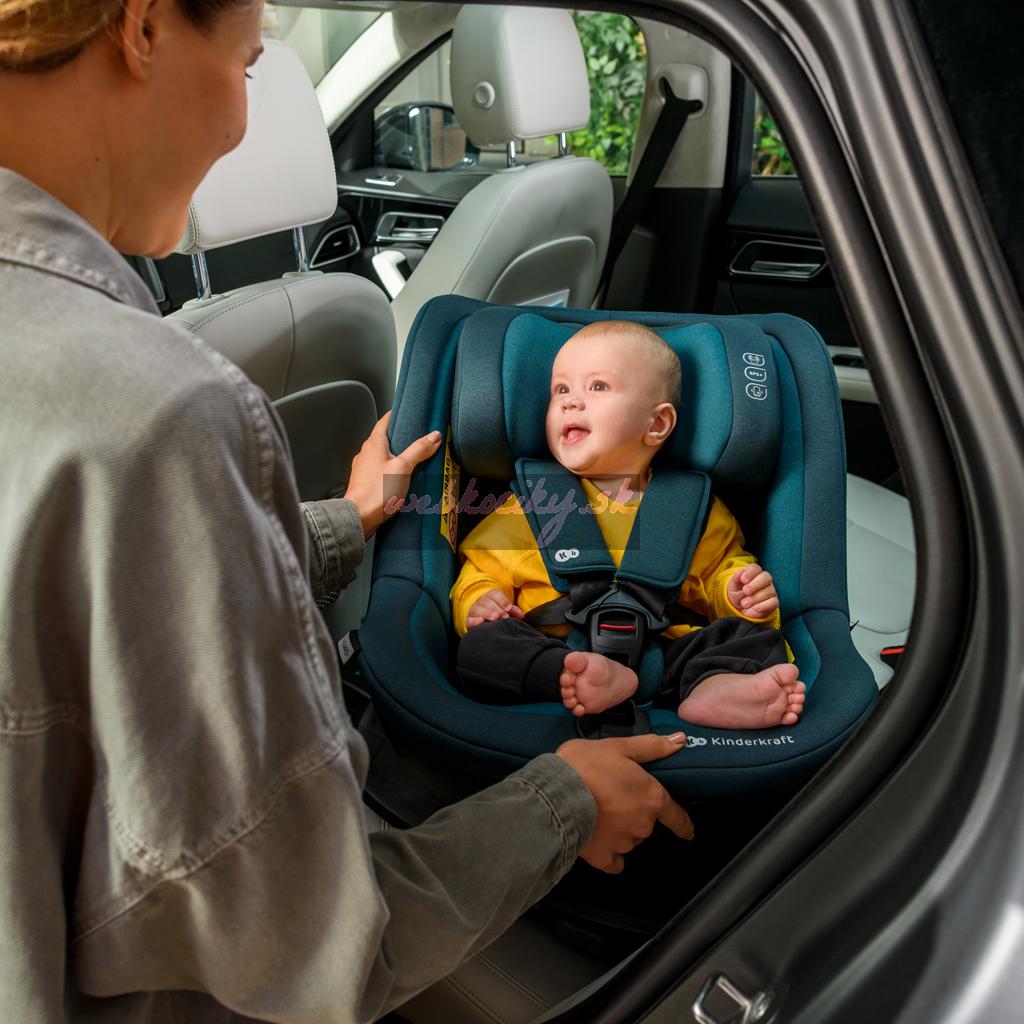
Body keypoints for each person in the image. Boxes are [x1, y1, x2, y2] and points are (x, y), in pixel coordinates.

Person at [0, 2, 695, 1021]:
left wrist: (343, 520)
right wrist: (566, 801)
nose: (243, 125)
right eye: (248, 66)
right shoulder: (154, 413)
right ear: (142, 27)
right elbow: (314, 947)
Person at [453, 321, 807, 729]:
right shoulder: (531, 504)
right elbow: (481, 572)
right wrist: (480, 601)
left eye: (598, 386)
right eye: (561, 389)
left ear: (656, 424)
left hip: (670, 654)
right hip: (558, 649)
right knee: (483, 647)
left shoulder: (693, 508)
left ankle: (712, 686)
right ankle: (574, 679)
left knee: (754, 639)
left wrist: (737, 593)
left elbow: (721, 571)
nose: (571, 402)